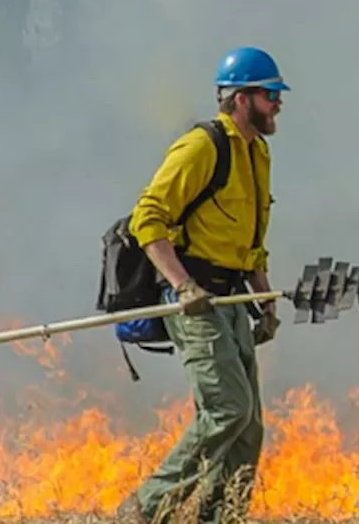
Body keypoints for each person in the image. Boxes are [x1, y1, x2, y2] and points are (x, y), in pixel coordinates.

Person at [117, 46, 288, 524]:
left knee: (248, 428)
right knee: (227, 410)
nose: (278, 104)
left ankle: (218, 518)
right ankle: (140, 513)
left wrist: (265, 301)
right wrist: (184, 286)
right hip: (194, 302)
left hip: (232, 300)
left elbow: (250, 241)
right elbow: (147, 218)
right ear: (240, 98)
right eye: (270, 94)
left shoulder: (257, 152)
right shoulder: (203, 146)